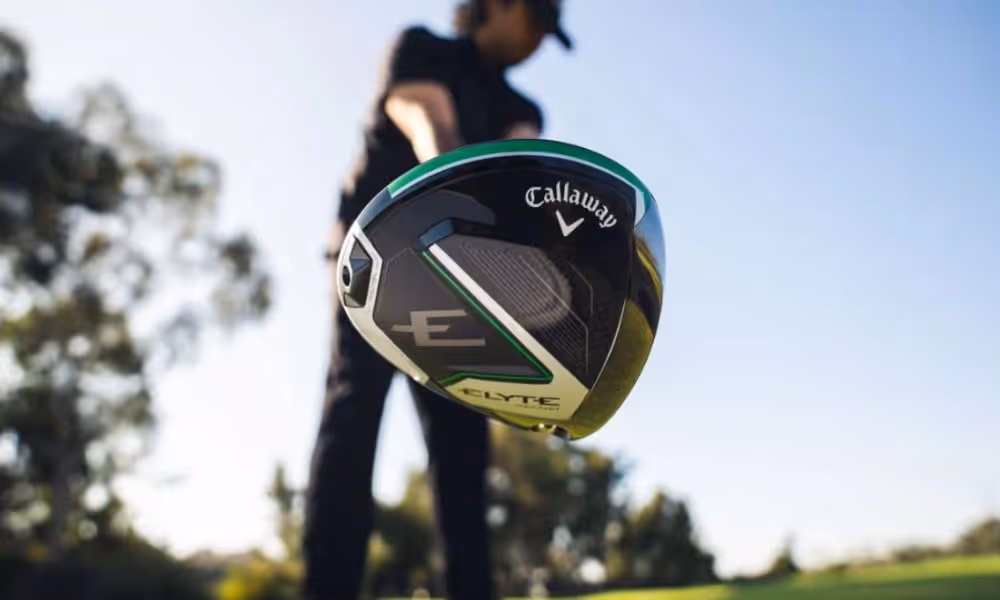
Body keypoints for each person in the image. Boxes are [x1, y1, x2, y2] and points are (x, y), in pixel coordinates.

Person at [302, 1, 572, 599]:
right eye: (536, 23)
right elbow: (428, 125)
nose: (537, 44)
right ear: (499, 5)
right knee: (351, 421)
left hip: (462, 289)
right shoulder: (419, 48)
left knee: (462, 452)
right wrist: (471, 196)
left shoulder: (521, 108)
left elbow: (517, 172)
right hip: (373, 264)